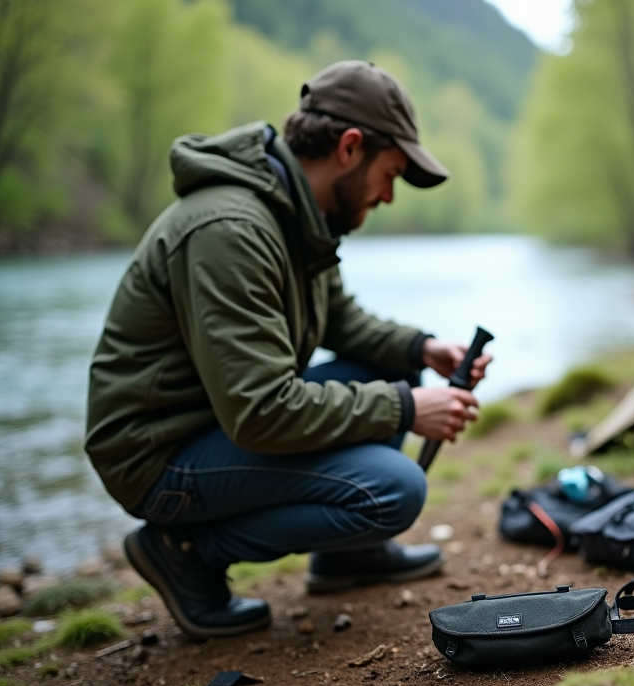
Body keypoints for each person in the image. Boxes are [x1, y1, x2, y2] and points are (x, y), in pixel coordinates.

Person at [84, 61, 491, 639]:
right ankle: (186, 550)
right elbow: (262, 411)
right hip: (158, 456)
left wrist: (422, 350)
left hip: (215, 424)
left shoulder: (296, 214)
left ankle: (347, 554)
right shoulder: (232, 229)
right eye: (390, 173)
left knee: (388, 363)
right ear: (350, 148)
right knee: (396, 488)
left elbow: (342, 321)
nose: (390, 196)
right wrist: (406, 408)